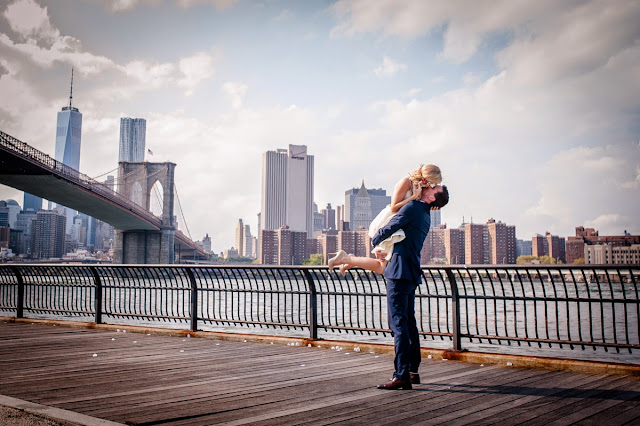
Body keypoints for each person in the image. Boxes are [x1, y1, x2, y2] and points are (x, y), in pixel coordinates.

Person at [373, 184, 449, 390]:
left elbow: (391, 226)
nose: (430, 186)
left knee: (398, 324)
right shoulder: (423, 213)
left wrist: (375, 239)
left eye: (434, 187)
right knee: (409, 324)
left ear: (433, 198)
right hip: (410, 271)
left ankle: (401, 375)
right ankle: (413, 371)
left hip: (398, 272)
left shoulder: (414, 207)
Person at [328, 164, 442, 276]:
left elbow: (414, 208)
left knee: (383, 266)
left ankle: (348, 260)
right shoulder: (406, 182)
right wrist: (413, 197)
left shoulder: (421, 188)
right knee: (383, 266)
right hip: (391, 221)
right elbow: (394, 208)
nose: (433, 186)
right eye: (433, 182)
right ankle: (347, 259)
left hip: (401, 225)